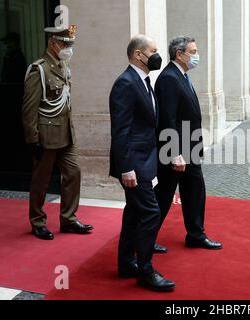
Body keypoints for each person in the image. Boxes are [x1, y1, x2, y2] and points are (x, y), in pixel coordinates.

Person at [109, 34, 175, 292]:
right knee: (150, 212)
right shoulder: (126, 83)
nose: (158, 55)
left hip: (145, 161)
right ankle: (145, 271)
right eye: (153, 50)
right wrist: (126, 168)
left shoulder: (144, 81)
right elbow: (121, 130)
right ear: (138, 54)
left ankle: (126, 262)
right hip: (133, 163)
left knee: (135, 212)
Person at [22, 25, 93, 241]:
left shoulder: (63, 66)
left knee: (73, 173)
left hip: (65, 133)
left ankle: (69, 219)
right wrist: (32, 139)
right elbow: (29, 108)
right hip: (46, 136)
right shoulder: (39, 69)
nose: (68, 48)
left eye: (70, 44)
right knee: (41, 180)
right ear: (53, 43)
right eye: (65, 44)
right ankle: (38, 221)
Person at [154, 36, 223, 251]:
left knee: (194, 189)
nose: (196, 55)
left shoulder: (181, 75)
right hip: (176, 150)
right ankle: (143, 236)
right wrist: (174, 152)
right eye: (193, 51)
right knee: (164, 194)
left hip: (189, 146)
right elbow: (167, 118)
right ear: (179, 54)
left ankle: (195, 234)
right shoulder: (169, 78)